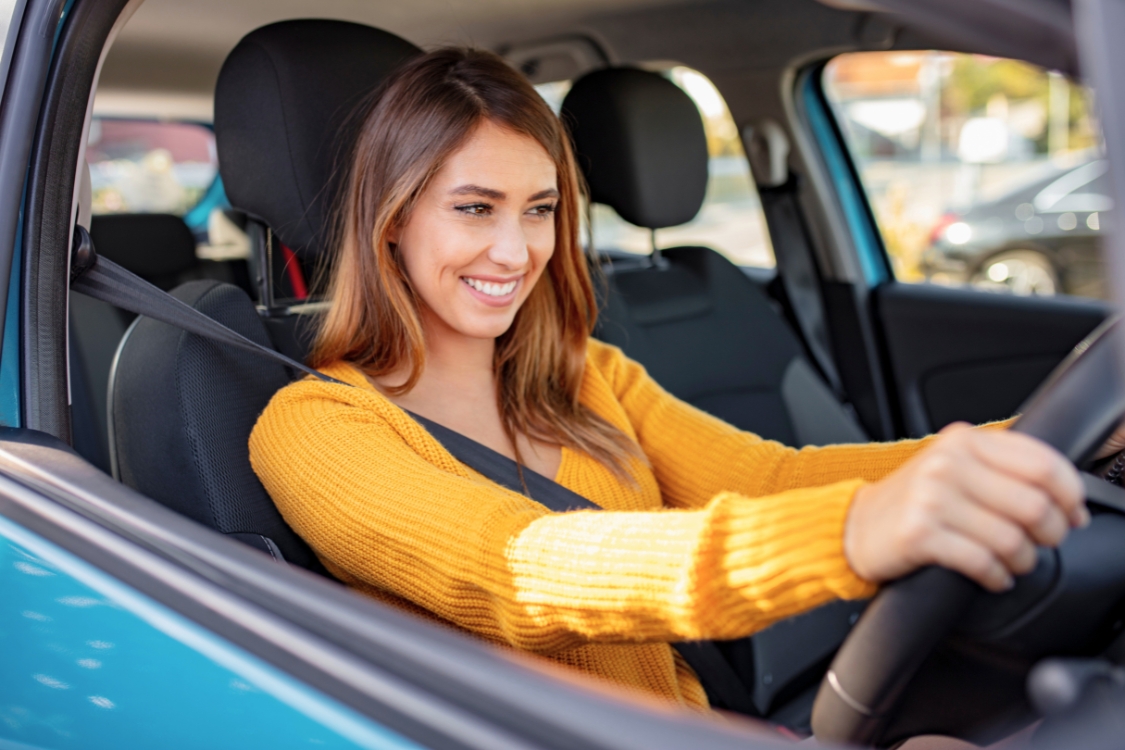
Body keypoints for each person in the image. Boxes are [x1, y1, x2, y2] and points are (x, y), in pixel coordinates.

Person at [249, 47, 1121, 714]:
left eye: (540, 209)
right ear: (392, 220)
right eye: (474, 208)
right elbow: (516, 569)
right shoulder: (315, 426)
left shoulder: (585, 374)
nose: (515, 252)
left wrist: (1040, 443)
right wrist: (856, 531)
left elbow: (771, 478)